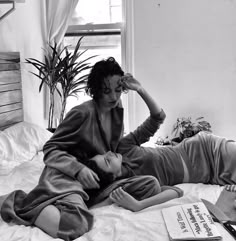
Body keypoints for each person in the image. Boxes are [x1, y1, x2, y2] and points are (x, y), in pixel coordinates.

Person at [0, 57, 167, 241]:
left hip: (96, 178)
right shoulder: (82, 113)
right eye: (106, 91)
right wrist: (78, 170)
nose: (113, 97)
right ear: (96, 90)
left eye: (118, 90)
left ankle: (95, 198)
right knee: (75, 225)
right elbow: (50, 149)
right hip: (67, 174)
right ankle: (17, 201)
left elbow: (155, 119)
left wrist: (140, 89)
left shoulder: (116, 108)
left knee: (150, 184)